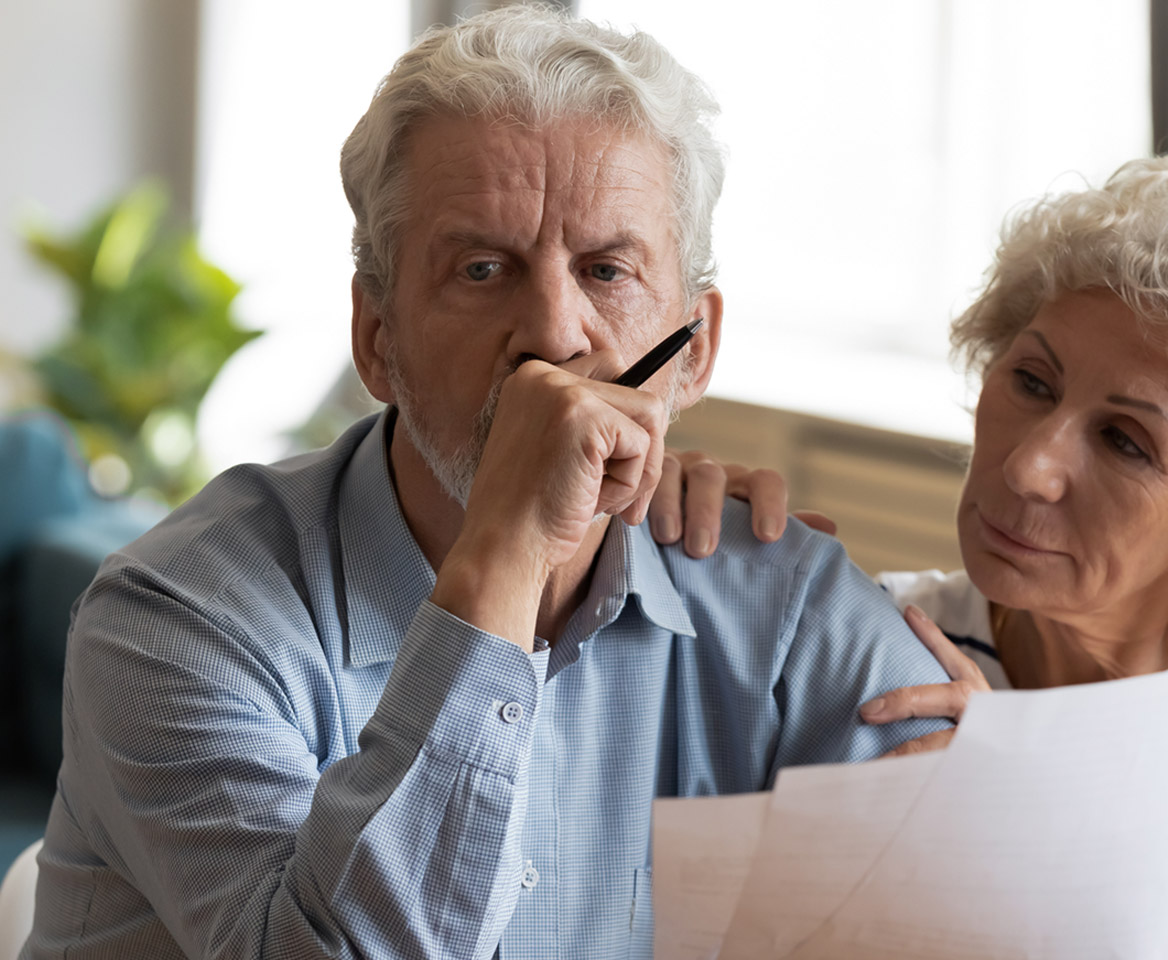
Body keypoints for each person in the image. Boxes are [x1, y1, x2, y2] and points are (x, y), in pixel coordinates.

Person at [22, 9, 952, 959]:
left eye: (607, 269)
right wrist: (508, 548)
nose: (553, 334)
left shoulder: (784, 602)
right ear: (377, 341)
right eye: (481, 268)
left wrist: (1010, 788)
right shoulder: (177, 616)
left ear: (694, 351)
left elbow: (973, 901)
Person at [661, 146, 1168, 958]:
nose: (1029, 465)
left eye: (1124, 442)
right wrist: (667, 528)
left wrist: (1064, 846)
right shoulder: (870, 644)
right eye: (1032, 381)